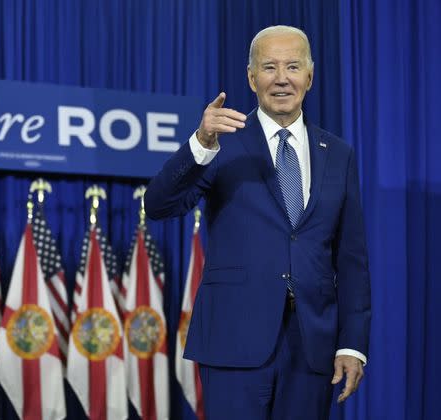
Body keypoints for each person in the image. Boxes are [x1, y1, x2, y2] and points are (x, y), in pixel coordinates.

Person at [145, 25, 370, 419]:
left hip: (311, 345)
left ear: (310, 77)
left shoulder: (338, 154)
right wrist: (199, 143)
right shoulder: (221, 141)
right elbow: (159, 205)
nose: (282, 78)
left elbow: (351, 260)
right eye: (269, 67)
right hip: (235, 340)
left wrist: (352, 344)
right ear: (252, 78)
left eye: (293, 66)